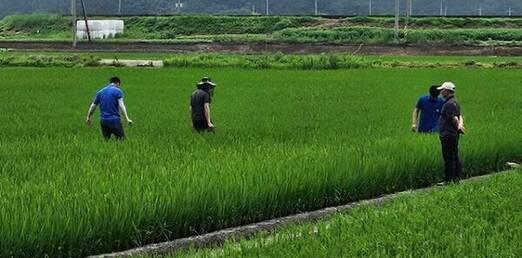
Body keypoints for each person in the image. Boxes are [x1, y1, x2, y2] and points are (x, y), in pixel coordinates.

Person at [438, 82, 465, 182]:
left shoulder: (449, 104)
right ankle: (456, 178)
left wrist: (458, 127)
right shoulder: (455, 102)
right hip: (452, 134)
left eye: (442, 90)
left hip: (448, 134)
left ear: (447, 91)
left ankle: (449, 180)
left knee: (449, 157)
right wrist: (460, 126)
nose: (441, 92)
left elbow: (454, 118)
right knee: (454, 156)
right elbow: (459, 116)